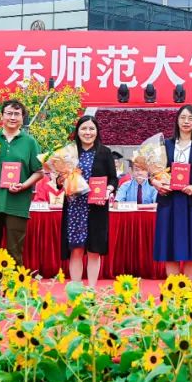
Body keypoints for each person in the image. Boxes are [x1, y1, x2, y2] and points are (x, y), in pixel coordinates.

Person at [0, 100, 44, 272]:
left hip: (17, 203)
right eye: (9, 113)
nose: (13, 117)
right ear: (1, 116)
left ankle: (15, 285)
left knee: (15, 251)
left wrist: (24, 185)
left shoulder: (30, 142)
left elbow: (39, 172)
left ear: (22, 118)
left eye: (17, 114)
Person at [152, 105, 192, 282]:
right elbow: (154, 172)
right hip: (169, 201)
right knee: (169, 247)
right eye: (183, 118)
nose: (186, 122)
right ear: (177, 120)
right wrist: (156, 183)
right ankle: (173, 290)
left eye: (190, 118)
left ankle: (187, 291)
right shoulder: (166, 145)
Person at [61, 115, 118, 287]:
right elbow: (59, 179)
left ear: (97, 131)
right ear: (77, 131)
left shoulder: (105, 152)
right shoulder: (69, 152)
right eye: (84, 128)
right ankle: (76, 288)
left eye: (91, 129)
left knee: (94, 250)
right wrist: (61, 179)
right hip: (74, 208)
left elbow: (113, 179)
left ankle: (91, 289)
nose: (88, 132)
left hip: (96, 207)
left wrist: (108, 190)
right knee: (76, 250)